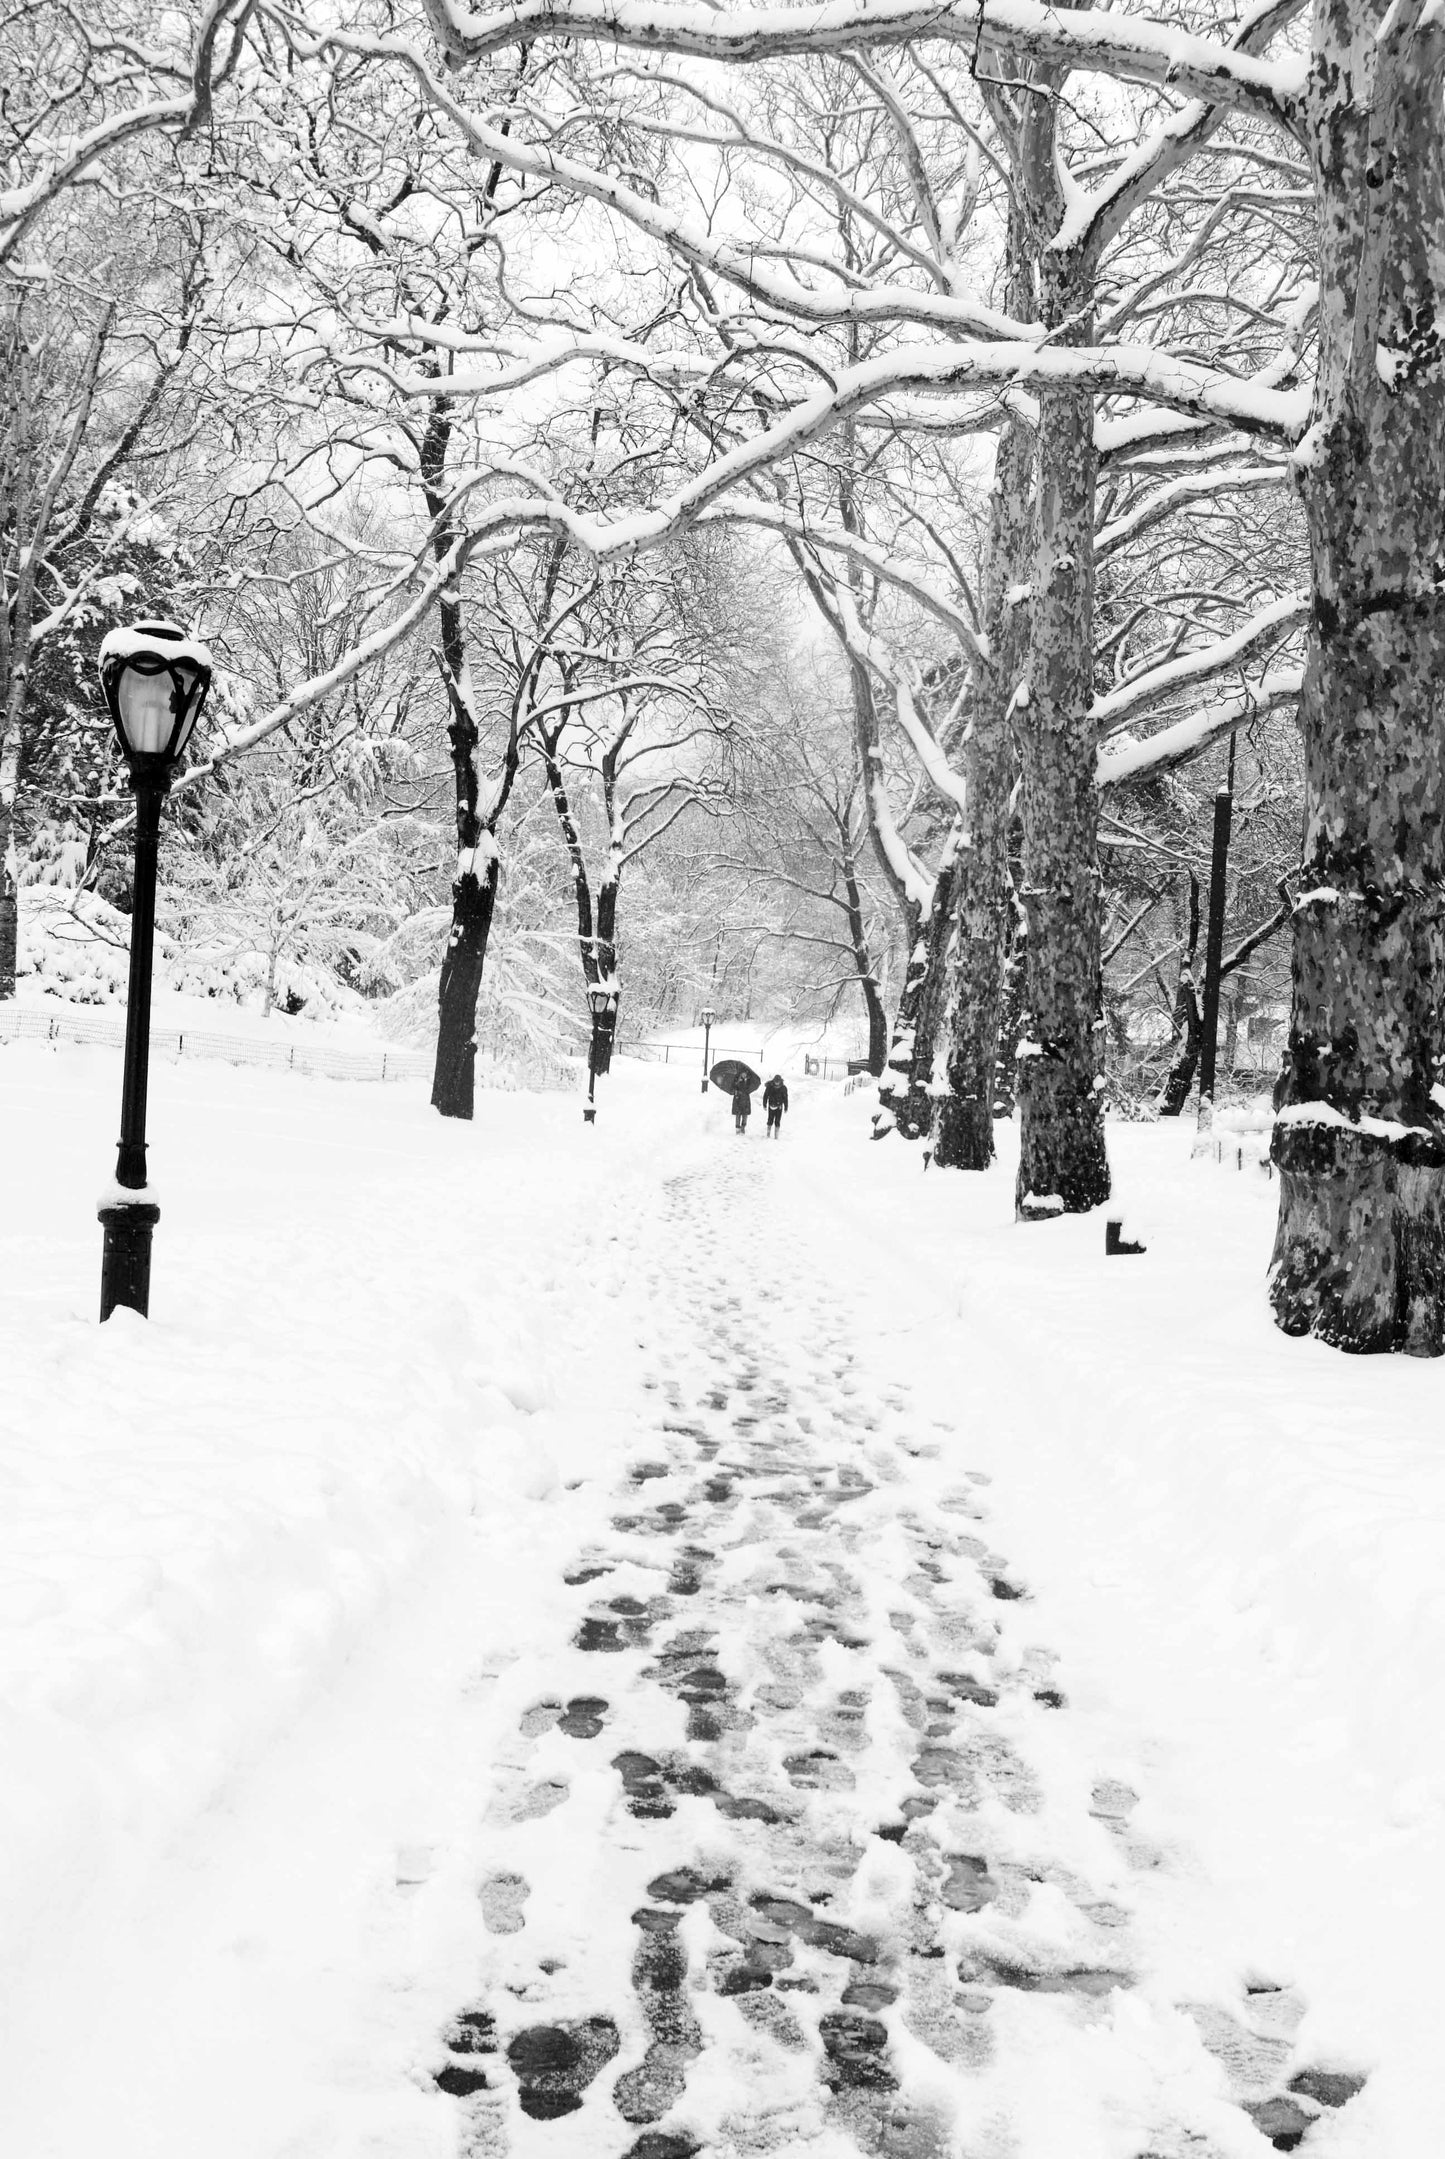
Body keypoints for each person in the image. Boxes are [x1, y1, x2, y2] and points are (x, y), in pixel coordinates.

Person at [763, 1073, 789, 1137]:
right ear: (774, 1081)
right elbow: (765, 1096)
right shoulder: (770, 1087)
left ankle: (776, 1135)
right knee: (770, 1120)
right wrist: (764, 1104)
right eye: (775, 1082)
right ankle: (768, 1134)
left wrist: (786, 1107)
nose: (777, 1083)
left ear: (780, 1081)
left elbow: (785, 1098)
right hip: (771, 1105)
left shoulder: (783, 1088)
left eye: (778, 1082)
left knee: (777, 1121)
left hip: (779, 1107)